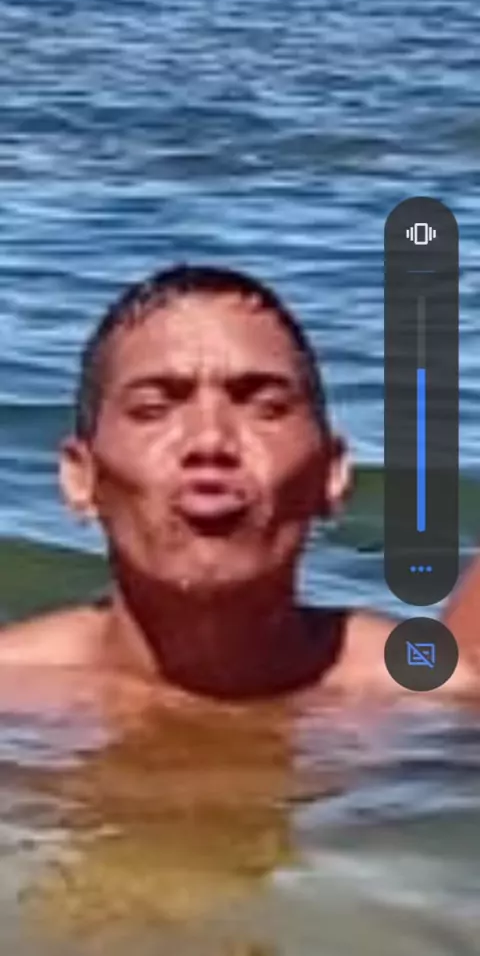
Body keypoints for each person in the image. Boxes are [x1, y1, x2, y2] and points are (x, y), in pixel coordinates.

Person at [0, 264, 478, 714]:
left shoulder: (426, 703)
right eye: (152, 410)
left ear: (331, 473)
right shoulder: (16, 696)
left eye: (267, 408)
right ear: (81, 477)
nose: (210, 440)